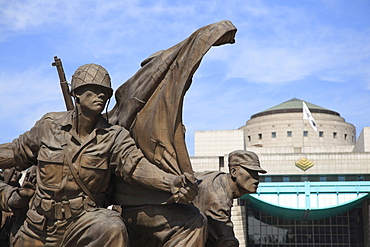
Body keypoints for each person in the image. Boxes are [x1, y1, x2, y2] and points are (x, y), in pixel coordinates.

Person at [0, 63, 199, 246]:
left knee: (111, 225)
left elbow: (137, 166)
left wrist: (171, 182)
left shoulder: (114, 136)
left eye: (105, 92)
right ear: (76, 93)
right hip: (38, 229)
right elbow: (16, 152)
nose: (101, 96)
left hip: (82, 223)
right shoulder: (49, 125)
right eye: (94, 90)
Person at [193, 150, 267, 247]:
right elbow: (225, 239)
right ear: (233, 172)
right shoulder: (219, 198)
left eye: (257, 174)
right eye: (251, 173)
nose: (257, 179)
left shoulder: (220, 179)